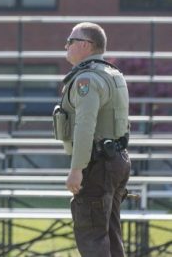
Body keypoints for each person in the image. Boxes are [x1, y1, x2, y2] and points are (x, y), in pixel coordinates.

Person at [52, 22, 131, 256]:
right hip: (116, 160)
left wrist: (77, 169)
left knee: (92, 238)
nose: (66, 45)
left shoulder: (86, 80)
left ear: (85, 45)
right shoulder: (112, 74)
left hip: (97, 165)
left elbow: (85, 126)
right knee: (111, 236)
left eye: (71, 41)